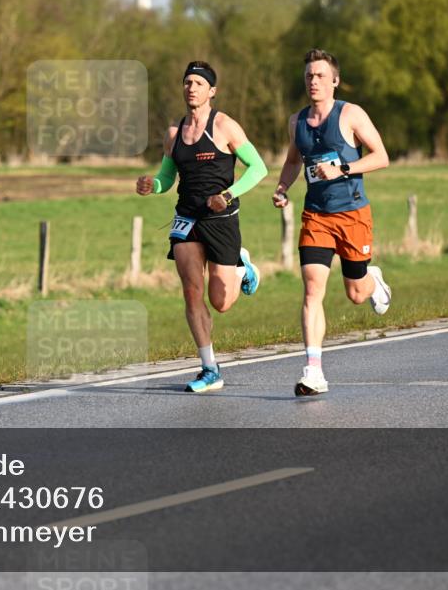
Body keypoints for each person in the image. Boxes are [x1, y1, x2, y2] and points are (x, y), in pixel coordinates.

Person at [136, 61, 268, 393]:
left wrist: (229, 193)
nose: (191, 87)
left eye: (198, 83)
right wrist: (152, 184)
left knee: (221, 301)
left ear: (212, 91)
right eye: (187, 82)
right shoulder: (173, 133)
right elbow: (167, 178)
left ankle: (242, 268)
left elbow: (259, 168)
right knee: (191, 290)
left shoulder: (225, 126)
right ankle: (209, 368)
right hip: (187, 216)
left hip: (221, 217)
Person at [272, 49, 392, 396]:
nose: (314, 81)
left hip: (353, 213)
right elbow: (294, 160)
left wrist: (343, 168)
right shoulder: (296, 122)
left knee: (356, 293)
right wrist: (282, 187)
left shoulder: (351, 114)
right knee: (312, 290)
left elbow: (381, 156)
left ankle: (373, 279)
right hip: (316, 215)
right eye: (309, 75)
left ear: (335, 81)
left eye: (321, 76)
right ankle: (313, 372)